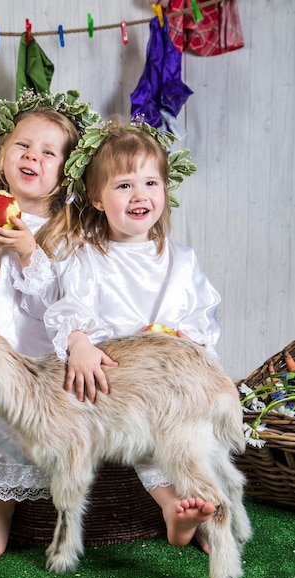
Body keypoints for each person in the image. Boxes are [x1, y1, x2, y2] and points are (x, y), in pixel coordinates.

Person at [43, 120, 221, 552]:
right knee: (145, 429)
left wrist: (188, 339)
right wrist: (80, 343)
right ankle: (170, 507)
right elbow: (71, 309)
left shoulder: (180, 259)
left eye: (150, 182)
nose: (140, 195)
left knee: (197, 424)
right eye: (124, 186)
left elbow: (202, 313)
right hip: (120, 375)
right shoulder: (88, 256)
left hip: (172, 370)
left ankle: (204, 508)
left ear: (164, 189)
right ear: (98, 199)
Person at [0, 90, 101, 562]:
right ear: (3, 156)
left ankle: (3, 507)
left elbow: (62, 307)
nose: (32, 156)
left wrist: (30, 252)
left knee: (18, 423)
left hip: (36, 362)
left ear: (66, 171)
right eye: (22, 146)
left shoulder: (69, 232)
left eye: (48, 152)